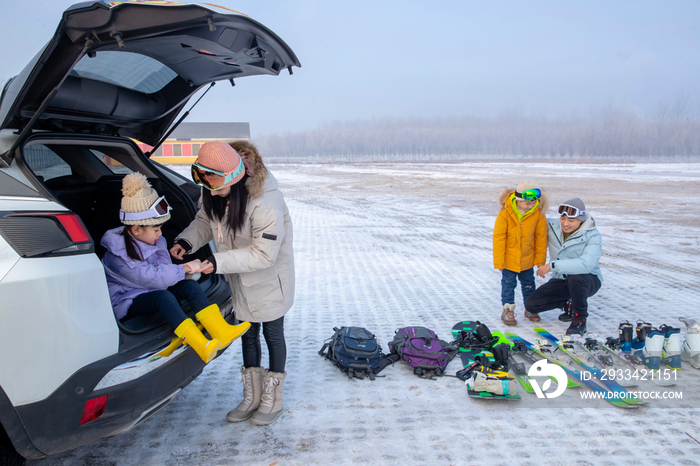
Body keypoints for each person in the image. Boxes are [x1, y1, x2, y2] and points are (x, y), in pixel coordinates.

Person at [170, 141, 294, 426]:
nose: (211, 190)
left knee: (272, 334)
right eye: (206, 182)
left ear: (236, 176)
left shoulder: (265, 200)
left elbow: (264, 253)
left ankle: (273, 398)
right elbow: (205, 220)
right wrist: (185, 241)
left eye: (217, 183)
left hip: (268, 279)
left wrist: (215, 262)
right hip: (239, 277)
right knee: (247, 333)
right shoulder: (214, 189)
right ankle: (252, 397)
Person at [101, 172, 250, 363]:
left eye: (161, 228)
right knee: (164, 297)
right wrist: (186, 268)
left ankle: (221, 331)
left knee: (190, 287)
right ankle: (200, 345)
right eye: (155, 229)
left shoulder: (157, 241)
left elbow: (164, 269)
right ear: (136, 229)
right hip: (128, 300)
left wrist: (184, 274)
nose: (160, 233)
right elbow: (153, 278)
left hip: (152, 289)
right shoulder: (118, 255)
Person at [524, 198, 603, 335]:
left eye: (571, 221)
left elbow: (586, 265)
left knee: (576, 277)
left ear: (581, 220)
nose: (565, 224)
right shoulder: (552, 226)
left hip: (588, 279)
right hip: (562, 279)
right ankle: (568, 304)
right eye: (563, 218)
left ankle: (579, 319)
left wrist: (552, 265)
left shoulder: (593, 235)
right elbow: (532, 221)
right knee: (532, 304)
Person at [492, 181, 548, 326]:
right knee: (508, 285)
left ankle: (530, 308)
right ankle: (507, 310)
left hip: (527, 259)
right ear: (518, 200)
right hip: (509, 260)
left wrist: (540, 260)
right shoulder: (505, 213)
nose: (530, 205)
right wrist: (499, 261)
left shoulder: (538, 215)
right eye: (526, 203)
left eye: (533, 202)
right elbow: (498, 237)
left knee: (529, 284)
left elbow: (541, 237)